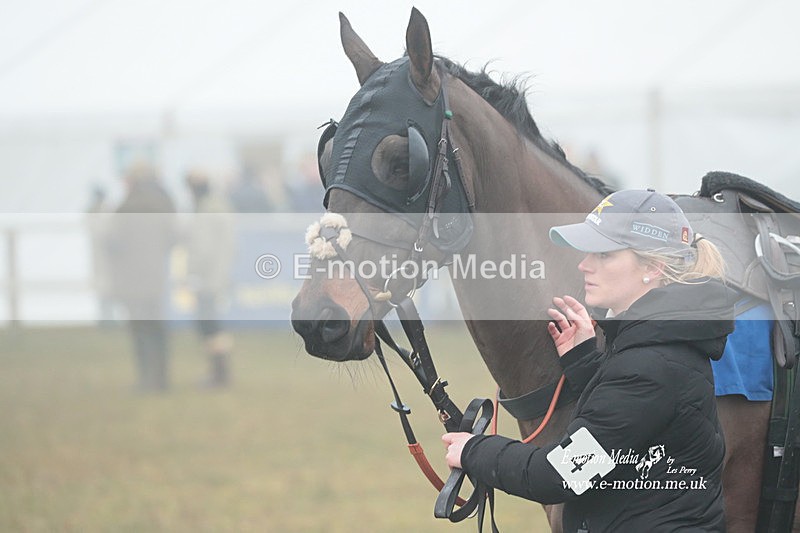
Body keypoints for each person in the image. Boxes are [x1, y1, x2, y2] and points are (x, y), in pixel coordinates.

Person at [443, 189, 736, 532]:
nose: (584, 264)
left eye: (604, 254)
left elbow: (563, 473)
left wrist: (474, 450)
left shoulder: (651, 366)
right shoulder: (654, 347)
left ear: (652, 268)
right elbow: (629, 428)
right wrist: (585, 361)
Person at [107, 161, 177, 392]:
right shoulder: (164, 204)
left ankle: (146, 380)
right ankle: (161, 379)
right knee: (158, 329)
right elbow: (173, 237)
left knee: (139, 329)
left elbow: (114, 241)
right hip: (156, 274)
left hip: (131, 277)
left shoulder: (126, 206)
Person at [184, 169, 236, 388]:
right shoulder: (222, 205)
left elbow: (202, 248)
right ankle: (221, 372)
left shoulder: (205, 209)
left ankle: (218, 374)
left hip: (207, 277)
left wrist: (191, 271)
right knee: (214, 325)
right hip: (220, 274)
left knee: (209, 326)